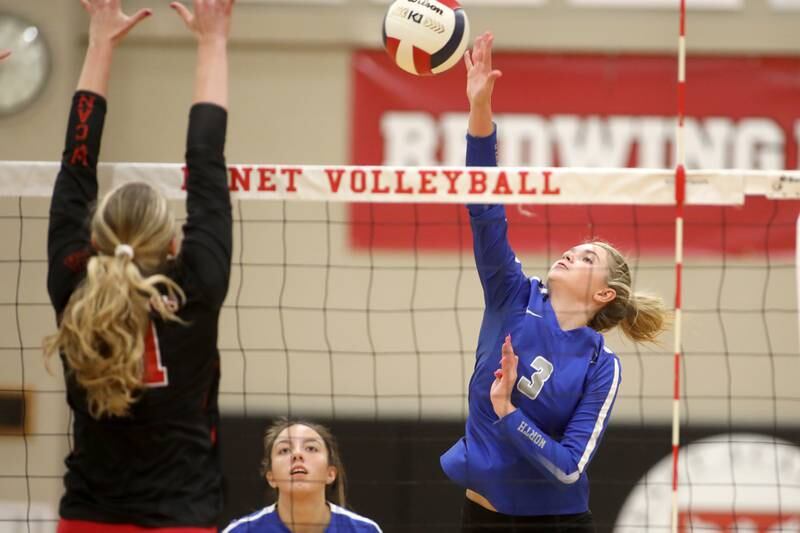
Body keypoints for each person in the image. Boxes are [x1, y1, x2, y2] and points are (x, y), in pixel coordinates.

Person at [440, 32, 668, 532]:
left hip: (557, 523)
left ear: (604, 293)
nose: (570, 252)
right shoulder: (513, 295)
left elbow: (568, 466)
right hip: (479, 517)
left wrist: (507, 413)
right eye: (575, 247)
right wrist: (480, 110)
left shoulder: (599, 366)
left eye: (587, 256)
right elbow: (484, 209)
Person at [43, 0, 234, 531]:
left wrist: (99, 41)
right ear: (172, 242)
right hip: (181, 519)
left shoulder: (75, 279)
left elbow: (75, 164)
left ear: (97, 236)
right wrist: (213, 41)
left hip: (86, 519)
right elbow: (207, 161)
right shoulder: (195, 284)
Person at [223, 419, 382, 533]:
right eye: (284, 450)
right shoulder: (241, 531)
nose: (297, 454)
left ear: (330, 474)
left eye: (311, 448)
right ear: (271, 477)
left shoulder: (365, 530)